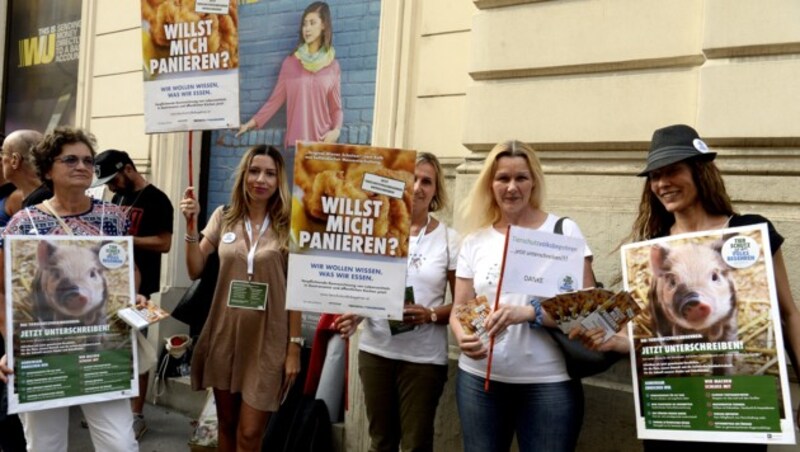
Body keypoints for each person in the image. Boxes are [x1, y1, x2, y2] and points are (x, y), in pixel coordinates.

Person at [576, 124, 800, 452]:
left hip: (736, 409)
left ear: (700, 172)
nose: (662, 183)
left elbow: (789, 313)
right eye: (655, 176)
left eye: (672, 171)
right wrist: (616, 340)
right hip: (674, 409)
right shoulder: (651, 251)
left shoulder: (747, 232)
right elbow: (644, 334)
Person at [449, 140, 595, 452]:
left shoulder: (562, 231)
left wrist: (529, 313)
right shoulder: (475, 240)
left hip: (548, 383)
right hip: (479, 382)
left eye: (521, 178)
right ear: (491, 183)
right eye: (503, 178)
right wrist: (462, 335)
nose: (512, 187)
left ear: (534, 182)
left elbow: (590, 308)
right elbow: (459, 308)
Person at [0, 126, 138, 452]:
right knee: (45, 445)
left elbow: (128, 272)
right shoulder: (25, 223)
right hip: (42, 352)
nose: (82, 167)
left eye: (88, 161)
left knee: (120, 443)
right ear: (48, 168)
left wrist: (134, 295)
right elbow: (5, 290)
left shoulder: (113, 218)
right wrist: (11, 343)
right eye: (71, 160)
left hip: (103, 349)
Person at [179, 144, 302, 452]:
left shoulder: (290, 224)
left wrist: (294, 348)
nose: (261, 179)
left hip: (267, 340)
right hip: (225, 334)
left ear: (279, 180)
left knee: (249, 434)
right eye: (254, 170)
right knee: (227, 427)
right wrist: (190, 226)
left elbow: (298, 291)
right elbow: (195, 269)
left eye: (270, 173)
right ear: (244, 175)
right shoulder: (224, 217)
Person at [335, 152, 458, 452]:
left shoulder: (448, 239)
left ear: (435, 190)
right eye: (411, 178)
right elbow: (366, 290)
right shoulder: (376, 229)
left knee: (416, 445)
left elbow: (463, 305)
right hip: (377, 352)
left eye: (426, 181)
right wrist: (356, 314)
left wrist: (429, 314)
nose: (417, 187)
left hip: (423, 360)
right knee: (381, 442)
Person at [93, 149, 174, 440]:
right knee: (115, 348)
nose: (110, 187)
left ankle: (137, 414)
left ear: (128, 168)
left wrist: (128, 240)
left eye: (113, 179)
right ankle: (115, 412)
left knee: (138, 352)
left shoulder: (157, 199)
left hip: (143, 289)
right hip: (116, 286)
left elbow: (165, 243)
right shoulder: (118, 198)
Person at [237, 1, 342, 147]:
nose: (307, 29)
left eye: (312, 23)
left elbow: (336, 108)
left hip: (323, 143)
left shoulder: (333, 66)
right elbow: (274, 101)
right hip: (296, 144)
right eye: (305, 24)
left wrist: (336, 131)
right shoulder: (290, 63)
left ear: (324, 25)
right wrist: (249, 124)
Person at [1, 129, 50, 208]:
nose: (1, 158)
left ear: (15, 160)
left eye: (3, 153)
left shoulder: (40, 202)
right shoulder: (45, 194)